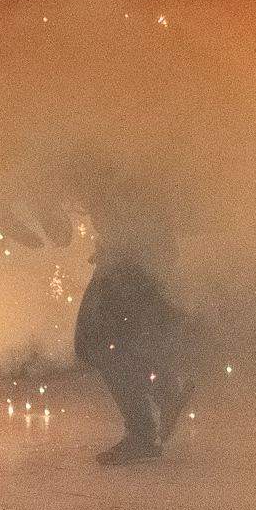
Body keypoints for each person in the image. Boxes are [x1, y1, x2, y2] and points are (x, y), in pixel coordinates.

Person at [73, 184, 192, 465]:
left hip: (133, 258)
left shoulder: (116, 166)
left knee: (98, 341)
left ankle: (147, 425)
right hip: (132, 256)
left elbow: (134, 211)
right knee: (112, 340)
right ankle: (165, 392)